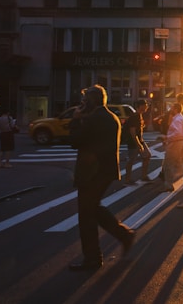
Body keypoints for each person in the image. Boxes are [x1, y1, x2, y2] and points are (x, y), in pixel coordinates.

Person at [68, 85, 135, 271]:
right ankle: (123, 235)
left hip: (91, 173)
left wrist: (75, 120)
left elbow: (75, 141)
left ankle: (93, 258)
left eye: (85, 100)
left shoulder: (93, 119)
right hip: (105, 171)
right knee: (93, 209)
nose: (82, 104)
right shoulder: (111, 116)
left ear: (92, 100)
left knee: (86, 216)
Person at [124, 99, 151, 184]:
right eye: (145, 105)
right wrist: (138, 144)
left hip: (140, 140)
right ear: (141, 106)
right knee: (131, 160)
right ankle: (127, 180)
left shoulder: (139, 115)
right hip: (134, 142)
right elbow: (133, 132)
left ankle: (144, 176)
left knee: (147, 156)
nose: (147, 106)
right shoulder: (134, 117)